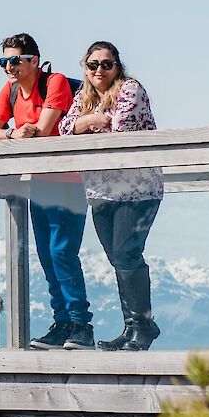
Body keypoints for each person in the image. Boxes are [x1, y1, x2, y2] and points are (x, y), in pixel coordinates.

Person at [0, 33, 92, 350]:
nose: (8, 67)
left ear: (33, 60)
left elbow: (43, 131)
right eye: (4, 61)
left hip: (70, 181)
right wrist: (14, 132)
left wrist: (17, 133)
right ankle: (62, 324)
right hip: (39, 183)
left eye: (14, 60)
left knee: (62, 253)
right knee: (47, 255)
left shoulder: (54, 81)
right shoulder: (11, 89)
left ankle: (81, 325)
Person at [59, 41, 165, 350]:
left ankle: (143, 326)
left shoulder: (130, 89)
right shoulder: (84, 97)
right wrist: (90, 121)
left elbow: (118, 128)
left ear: (117, 66)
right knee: (117, 259)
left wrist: (86, 125)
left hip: (138, 189)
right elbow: (65, 129)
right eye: (92, 65)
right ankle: (132, 326)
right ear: (85, 68)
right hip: (101, 189)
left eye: (107, 64)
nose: (99, 70)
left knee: (126, 254)